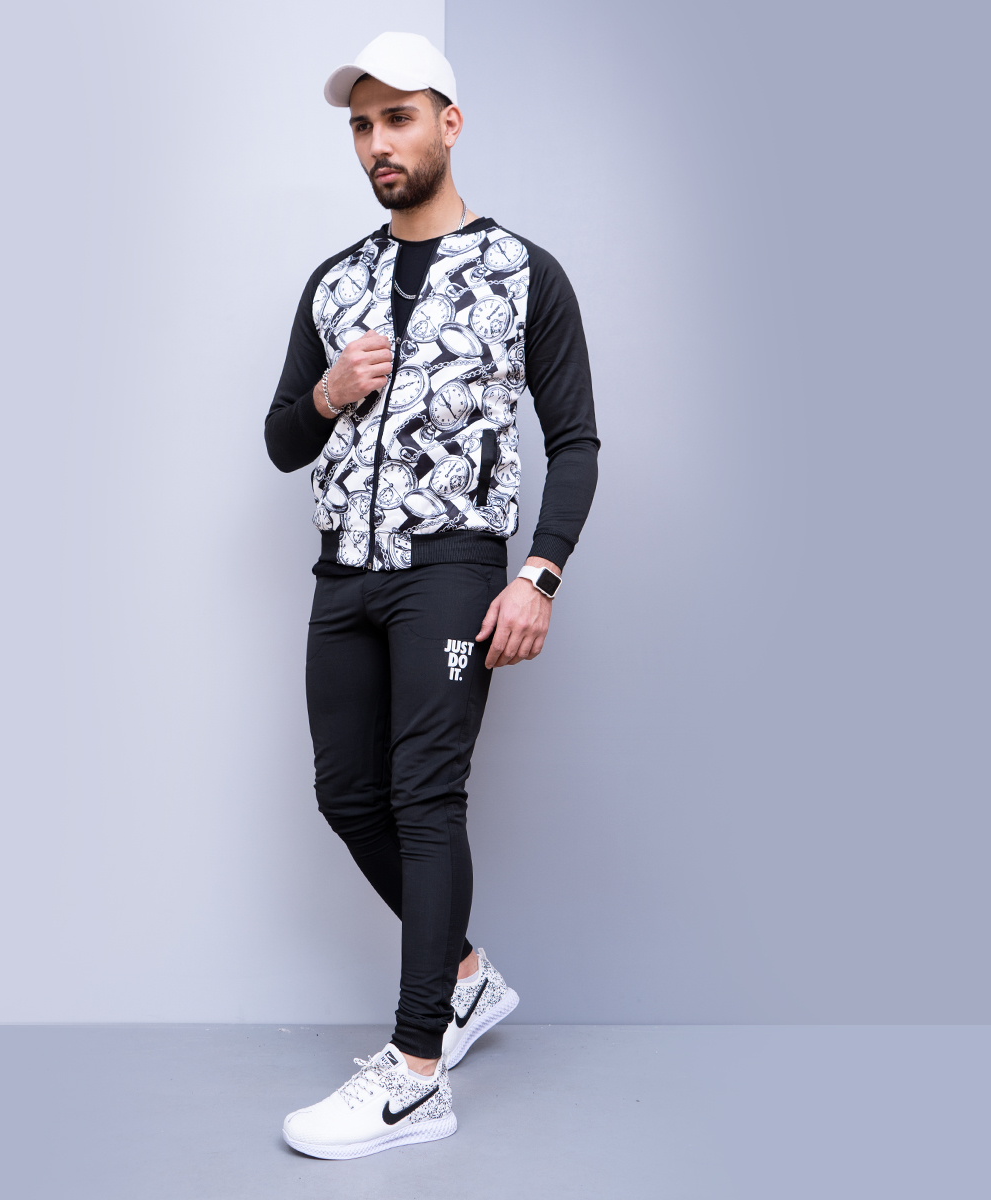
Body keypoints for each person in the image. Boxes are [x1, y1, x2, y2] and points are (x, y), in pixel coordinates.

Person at [265, 31, 599, 1159]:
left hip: (452, 567)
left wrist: (539, 572)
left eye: (398, 118)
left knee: (424, 798)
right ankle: (463, 976)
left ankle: (416, 1077)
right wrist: (327, 392)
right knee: (345, 794)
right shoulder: (335, 280)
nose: (378, 143)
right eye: (363, 125)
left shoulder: (523, 273)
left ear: (448, 125)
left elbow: (576, 440)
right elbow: (281, 440)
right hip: (343, 573)